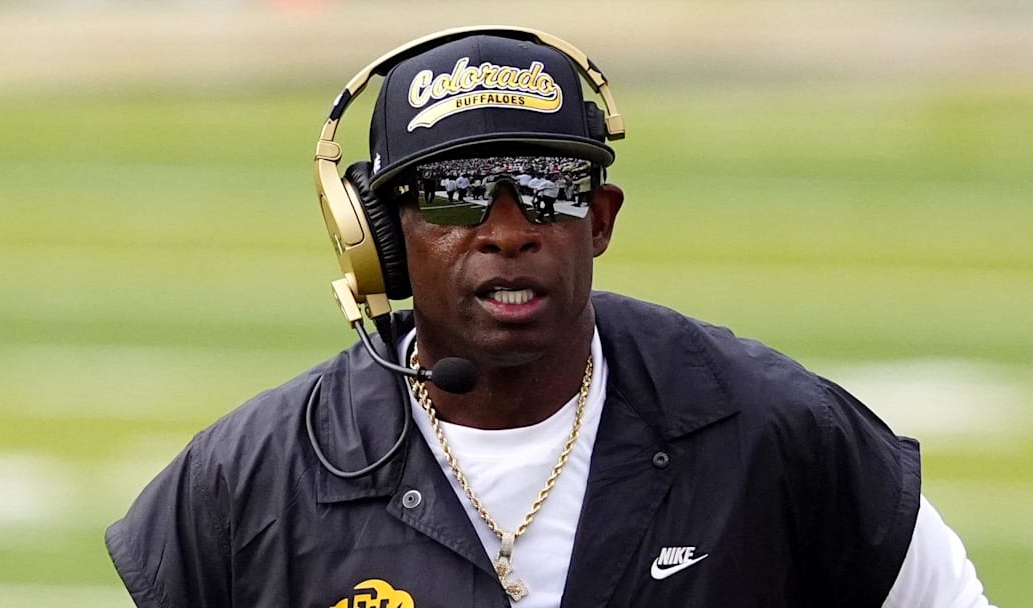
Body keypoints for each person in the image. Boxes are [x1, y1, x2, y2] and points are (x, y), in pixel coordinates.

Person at [106, 28, 995, 608]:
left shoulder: (773, 428)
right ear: (377, 240)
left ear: (599, 220)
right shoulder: (251, 480)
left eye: (546, 190)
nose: (505, 232)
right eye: (454, 197)